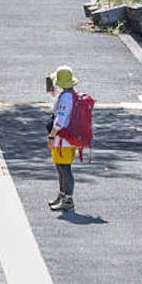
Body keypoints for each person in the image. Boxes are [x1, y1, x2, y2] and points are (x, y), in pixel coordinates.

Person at [47, 65, 80, 210]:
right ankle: (62, 195)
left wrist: (51, 137)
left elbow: (60, 120)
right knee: (60, 166)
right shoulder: (70, 94)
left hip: (63, 138)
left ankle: (68, 200)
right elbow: (54, 98)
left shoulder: (66, 97)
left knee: (64, 168)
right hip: (67, 137)